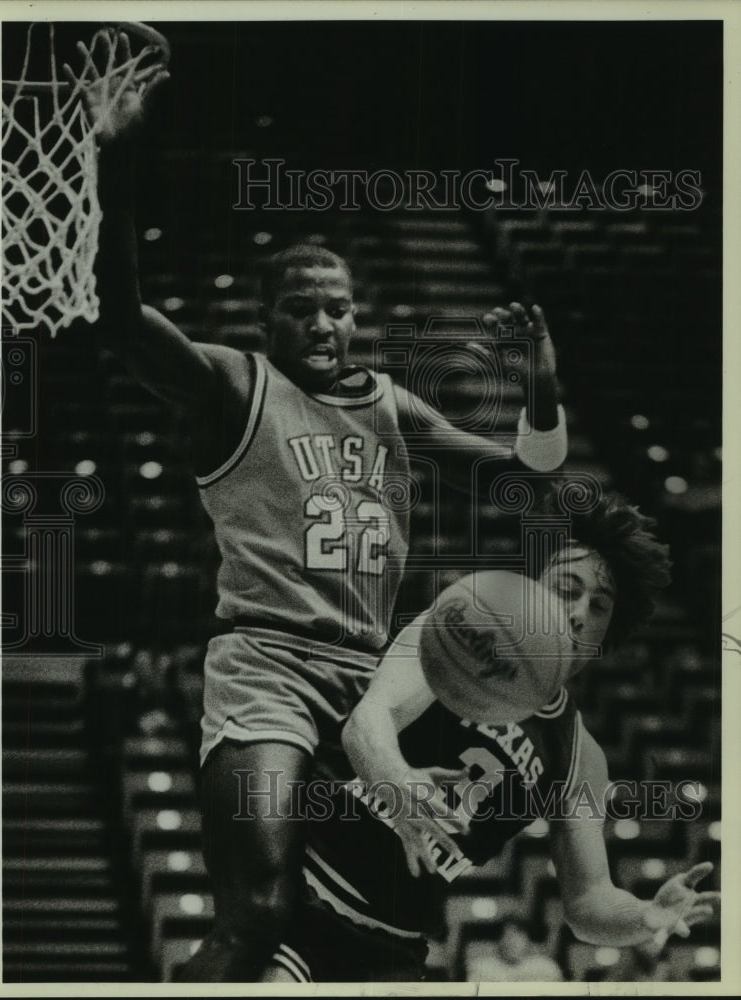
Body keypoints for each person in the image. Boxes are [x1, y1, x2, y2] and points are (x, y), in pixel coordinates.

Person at [71, 32, 569, 981]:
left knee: (383, 928)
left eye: (338, 307)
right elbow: (121, 320)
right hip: (268, 670)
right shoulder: (234, 384)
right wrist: (116, 161)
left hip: (373, 685)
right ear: (268, 317)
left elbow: (527, 475)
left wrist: (540, 390)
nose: (325, 324)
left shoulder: (391, 404)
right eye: (303, 308)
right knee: (259, 911)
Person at [262, 488, 719, 983]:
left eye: (599, 606)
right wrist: (396, 778)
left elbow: (589, 901)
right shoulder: (459, 635)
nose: (579, 612)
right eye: (566, 588)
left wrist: (645, 916)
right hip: (303, 883)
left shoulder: (579, 757)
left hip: (394, 943)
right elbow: (370, 720)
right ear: (530, 586)